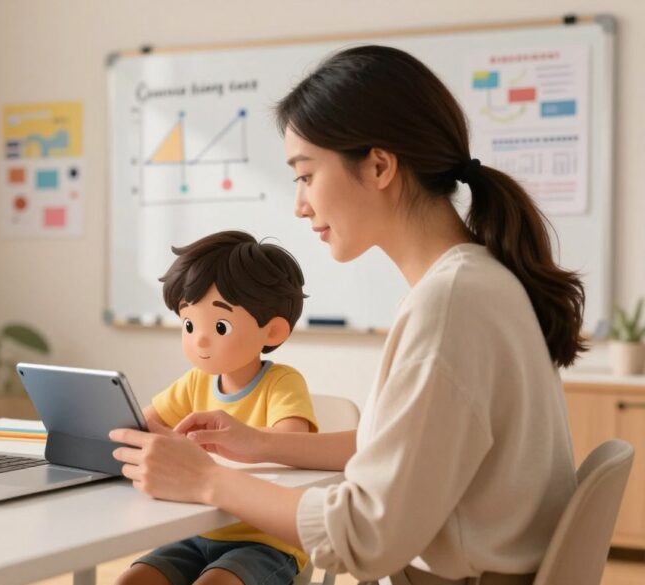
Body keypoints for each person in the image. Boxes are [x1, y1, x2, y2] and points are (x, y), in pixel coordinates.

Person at [110, 44, 585, 585]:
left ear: (380, 165)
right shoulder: (475, 282)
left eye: (306, 175)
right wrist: (259, 441)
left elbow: (364, 536)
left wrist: (206, 482)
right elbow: (400, 450)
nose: (300, 204)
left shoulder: (450, 305)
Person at [119, 230, 318, 585]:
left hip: (265, 539)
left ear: (271, 332)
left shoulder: (282, 382)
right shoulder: (195, 381)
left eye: (220, 325)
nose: (200, 339)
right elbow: (144, 424)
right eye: (189, 324)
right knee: (130, 580)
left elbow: (291, 442)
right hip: (196, 531)